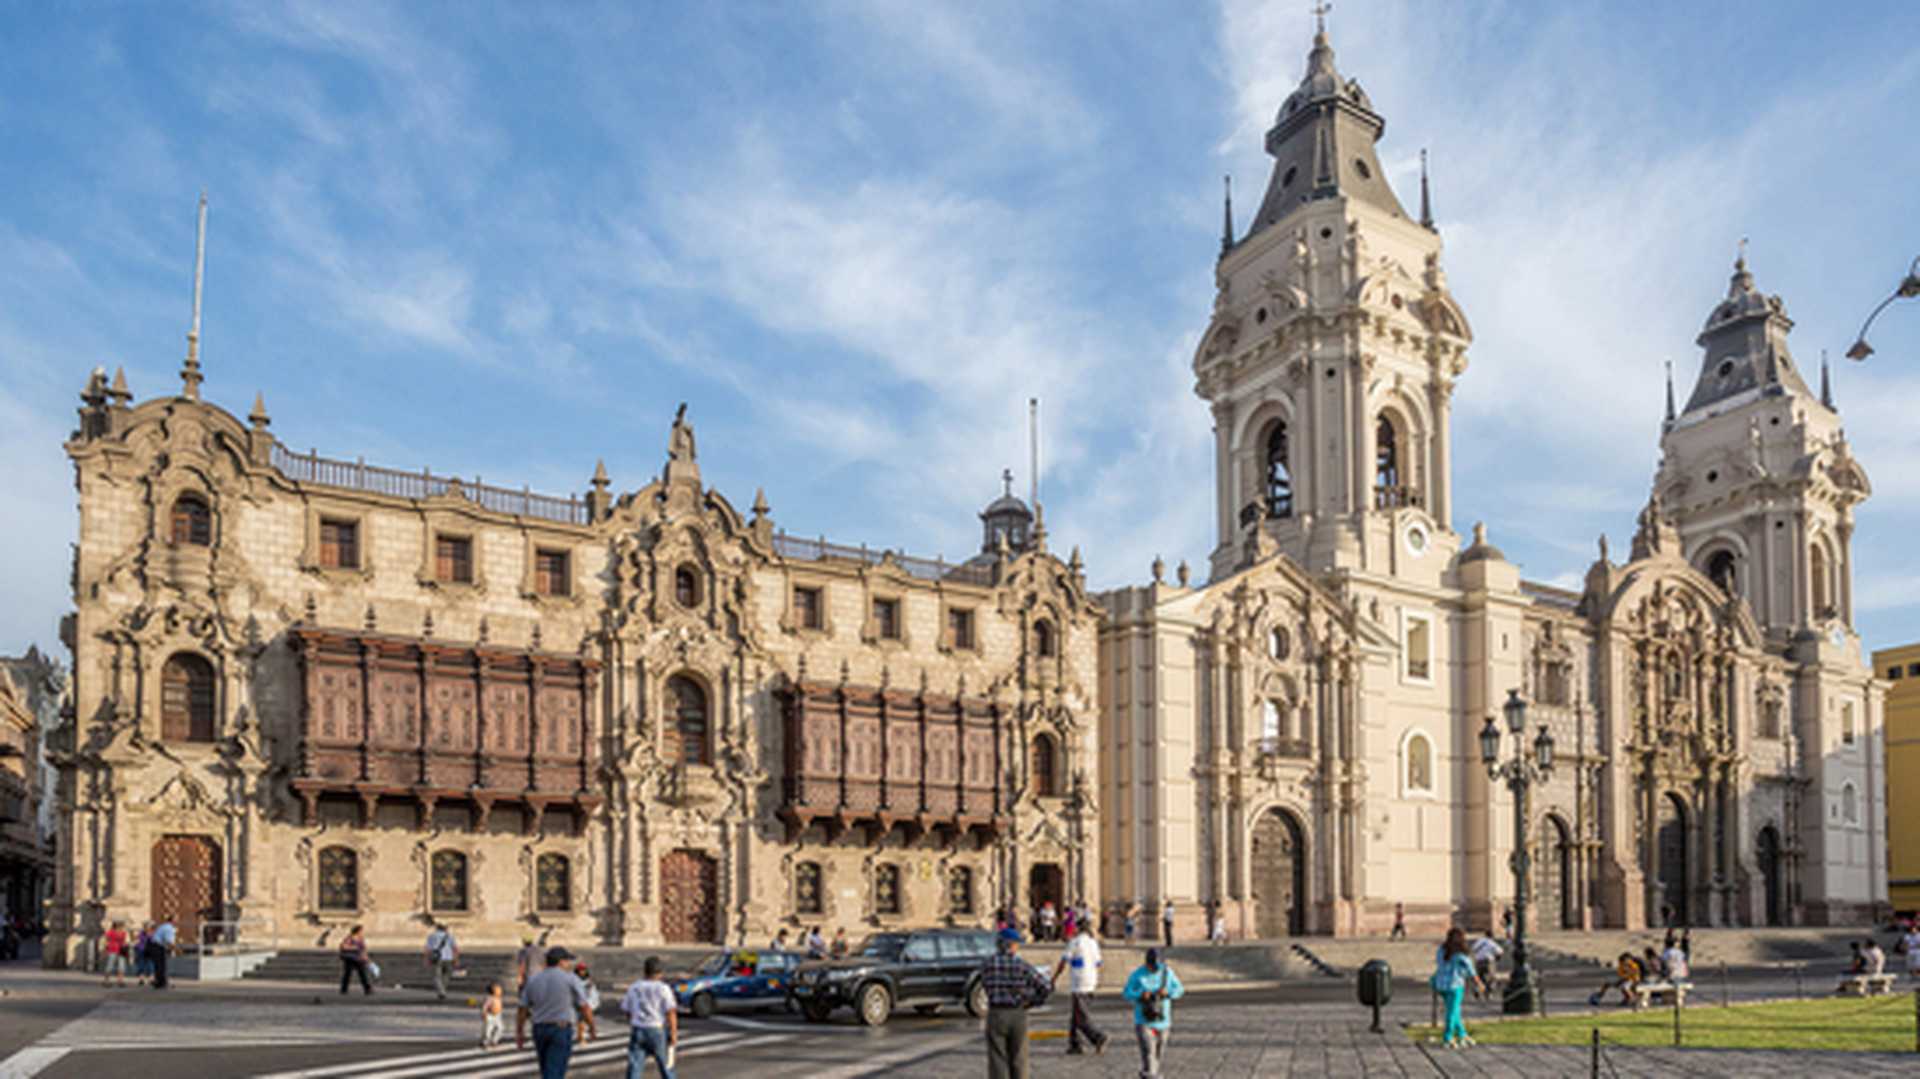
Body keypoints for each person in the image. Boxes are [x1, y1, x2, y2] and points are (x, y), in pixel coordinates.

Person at [979, 927, 1051, 1079]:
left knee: (997, 1058)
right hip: (1018, 1012)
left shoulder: (987, 964)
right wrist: (1033, 1001)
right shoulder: (1021, 965)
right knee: (1019, 1058)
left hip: (996, 1013)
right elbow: (1045, 987)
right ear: (1011, 945)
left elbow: (984, 984)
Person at [518, 946, 595, 1079]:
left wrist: (520, 1031)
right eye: (567, 961)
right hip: (560, 1028)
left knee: (546, 1068)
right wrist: (591, 1026)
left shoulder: (533, 980)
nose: (569, 964)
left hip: (539, 1028)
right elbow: (584, 1006)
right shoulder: (571, 979)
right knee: (555, 1070)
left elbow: (522, 1008)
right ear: (561, 962)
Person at [1123, 947, 1185, 1077]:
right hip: (1143, 1020)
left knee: (1157, 1054)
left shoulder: (1167, 973)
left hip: (1163, 1020)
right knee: (1148, 1053)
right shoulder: (1137, 975)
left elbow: (1179, 989)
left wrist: (1168, 993)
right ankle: (1152, 1075)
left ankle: (1148, 1074)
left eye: (1157, 966)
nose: (1155, 969)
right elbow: (1127, 993)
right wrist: (1140, 994)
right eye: (1152, 966)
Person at [1049, 922, 1108, 1056]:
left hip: (1079, 983)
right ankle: (1075, 1044)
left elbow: (1064, 961)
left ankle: (1098, 1037)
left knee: (1081, 1017)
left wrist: (1054, 978)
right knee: (1076, 1014)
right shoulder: (1093, 943)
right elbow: (1098, 963)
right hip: (1091, 982)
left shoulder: (1075, 942)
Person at [620, 955, 678, 1079]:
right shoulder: (663, 988)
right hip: (657, 1029)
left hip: (638, 1029)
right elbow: (671, 1012)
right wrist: (673, 1033)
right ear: (659, 972)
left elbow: (627, 1009)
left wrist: (634, 1021)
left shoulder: (634, 987)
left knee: (635, 1066)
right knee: (666, 1066)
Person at [1430, 928, 1482, 1048]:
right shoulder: (1460, 954)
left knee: (1454, 1011)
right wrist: (1479, 983)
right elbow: (1471, 970)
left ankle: (1462, 1034)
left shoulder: (1441, 950)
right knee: (1452, 1012)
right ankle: (1448, 1037)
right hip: (1455, 985)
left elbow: (1439, 963)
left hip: (1441, 985)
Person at [425, 921, 459, 1001]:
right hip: (448, 958)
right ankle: (442, 990)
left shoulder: (431, 936)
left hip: (437, 958)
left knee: (437, 976)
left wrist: (427, 959)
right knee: (446, 975)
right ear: (445, 929)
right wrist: (456, 959)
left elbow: (428, 949)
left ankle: (441, 991)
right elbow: (455, 948)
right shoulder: (450, 936)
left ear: (437, 928)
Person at [338, 924, 374, 996]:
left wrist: (365, 957)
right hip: (350, 958)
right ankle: (344, 989)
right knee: (347, 974)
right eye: (361, 931)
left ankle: (367, 989)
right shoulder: (350, 938)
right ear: (357, 931)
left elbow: (363, 949)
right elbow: (343, 946)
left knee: (362, 973)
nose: (362, 932)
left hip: (358, 959)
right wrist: (353, 947)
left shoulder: (361, 939)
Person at [1469, 931, 1503, 1000]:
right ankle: (1489, 993)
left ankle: (1477, 989)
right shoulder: (1491, 943)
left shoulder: (1480, 941)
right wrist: (1497, 958)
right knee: (1491, 978)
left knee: (1480, 977)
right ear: (1492, 936)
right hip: (1488, 962)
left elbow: (1473, 949)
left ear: (1485, 935)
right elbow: (1500, 951)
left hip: (1479, 961)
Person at [148, 914, 177, 990]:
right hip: (157, 947)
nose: (177, 921)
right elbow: (169, 941)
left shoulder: (164, 926)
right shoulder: (169, 928)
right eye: (176, 919)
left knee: (159, 965)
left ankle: (160, 982)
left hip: (156, 946)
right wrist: (176, 950)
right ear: (172, 920)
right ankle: (161, 983)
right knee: (161, 965)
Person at [575, 962, 602, 1042]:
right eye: (580, 970)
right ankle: (585, 1033)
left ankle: (591, 1029)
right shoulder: (574, 980)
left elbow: (592, 993)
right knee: (581, 1018)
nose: (582, 971)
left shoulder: (589, 980)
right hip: (579, 1001)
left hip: (591, 1001)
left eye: (583, 970)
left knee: (584, 1015)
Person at [101, 921, 130, 988]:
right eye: (120, 926)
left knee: (121, 966)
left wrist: (125, 944)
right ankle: (106, 980)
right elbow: (106, 940)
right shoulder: (110, 932)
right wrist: (105, 949)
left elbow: (125, 941)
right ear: (115, 926)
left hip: (121, 951)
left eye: (121, 926)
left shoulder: (123, 933)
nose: (121, 927)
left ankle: (120, 981)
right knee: (110, 966)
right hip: (112, 950)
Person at [480, 982, 507, 1049]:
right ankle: (485, 1042)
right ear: (493, 991)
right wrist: (484, 1013)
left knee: (500, 1028)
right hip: (490, 1015)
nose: (500, 991)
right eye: (498, 990)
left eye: (500, 990)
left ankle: (494, 1040)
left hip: (497, 1016)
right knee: (488, 1029)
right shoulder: (489, 998)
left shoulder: (498, 998)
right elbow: (485, 1006)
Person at [133, 922, 154, 986]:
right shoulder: (142, 933)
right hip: (141, 951)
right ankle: (141, 979)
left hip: (149, 951)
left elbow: (153, 941)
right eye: (146, 927)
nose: (147, 928)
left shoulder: (152, 933)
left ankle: (151, 979)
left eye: (148, 927)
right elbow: (137, 940)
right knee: (141, 965)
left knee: (150, 965)